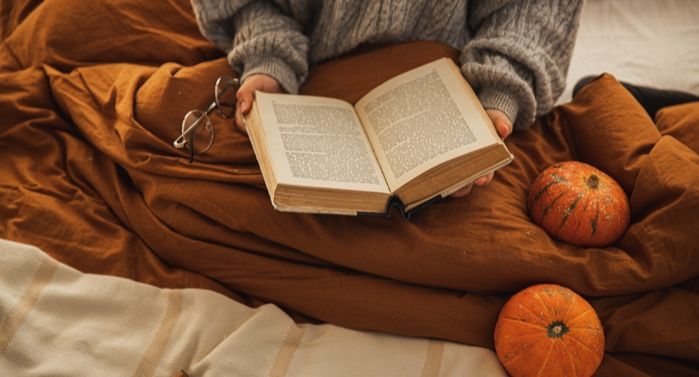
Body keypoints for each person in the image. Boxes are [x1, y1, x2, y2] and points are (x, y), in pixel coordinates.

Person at [191, 0, 583, 196]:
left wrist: (498, 95)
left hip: (460, 81)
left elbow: (531, 10)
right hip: (306, 68)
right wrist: (266, 57)